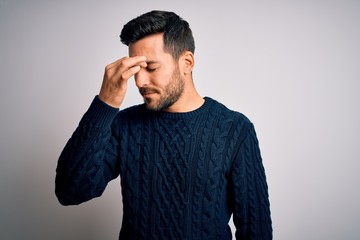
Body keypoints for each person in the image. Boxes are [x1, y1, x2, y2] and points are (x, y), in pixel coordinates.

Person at [55, 10, 272, 239]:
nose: (139, 81)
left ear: (187, 62)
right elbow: (70, 191)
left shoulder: (235, 129)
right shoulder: (125, 125)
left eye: (151, 67)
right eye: (137, 70)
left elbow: (256, 231)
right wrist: (105, 104)